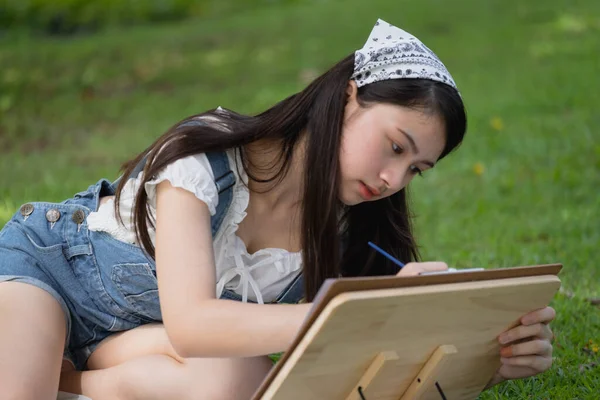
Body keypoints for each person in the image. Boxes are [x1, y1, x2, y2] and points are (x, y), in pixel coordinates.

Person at [0, 19, 555, 400]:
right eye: (395, 146)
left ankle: (77, 383)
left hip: (140, 340)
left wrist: (487, 353)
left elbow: (363, 374)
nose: (393, 179)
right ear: (349, 97)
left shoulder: (348, 224)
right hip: (56, 277)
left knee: (242, 384)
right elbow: (193, 325)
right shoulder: (208, 154)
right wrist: (348, 314)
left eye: (415, 169)